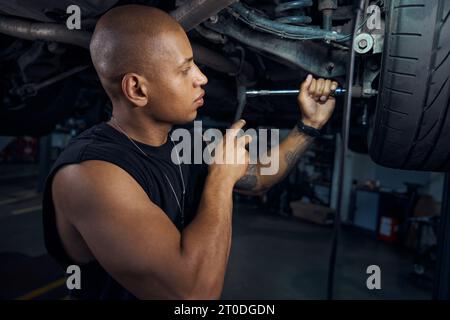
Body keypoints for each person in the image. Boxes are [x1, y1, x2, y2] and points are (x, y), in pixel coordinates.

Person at [42, 4, 338, 299]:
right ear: (137, 90)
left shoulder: (184, 143)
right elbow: (193, 295)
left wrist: (309, 125)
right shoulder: (90, 174)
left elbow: (258, 176)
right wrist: (220, 180)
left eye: (194, 64)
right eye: (185, 69)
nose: (201, 78)